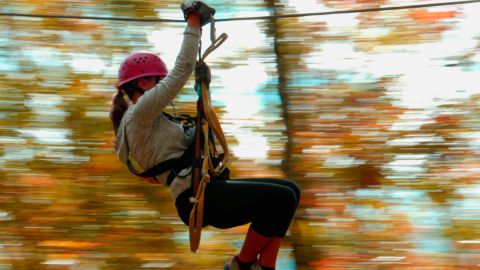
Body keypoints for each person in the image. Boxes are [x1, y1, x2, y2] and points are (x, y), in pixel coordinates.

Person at [109, 2, 300, 270]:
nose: (163, 88)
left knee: (291, 191)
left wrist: (203, 86)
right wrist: (193, 22)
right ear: (143, 83)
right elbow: (181, 69)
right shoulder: (140, 113)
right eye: (158, 81)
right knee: (282, 199)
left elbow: (158, 166)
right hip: (200, 197)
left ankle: (264, 265)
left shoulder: (143, 124)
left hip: (201, 191)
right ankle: (241, 265)